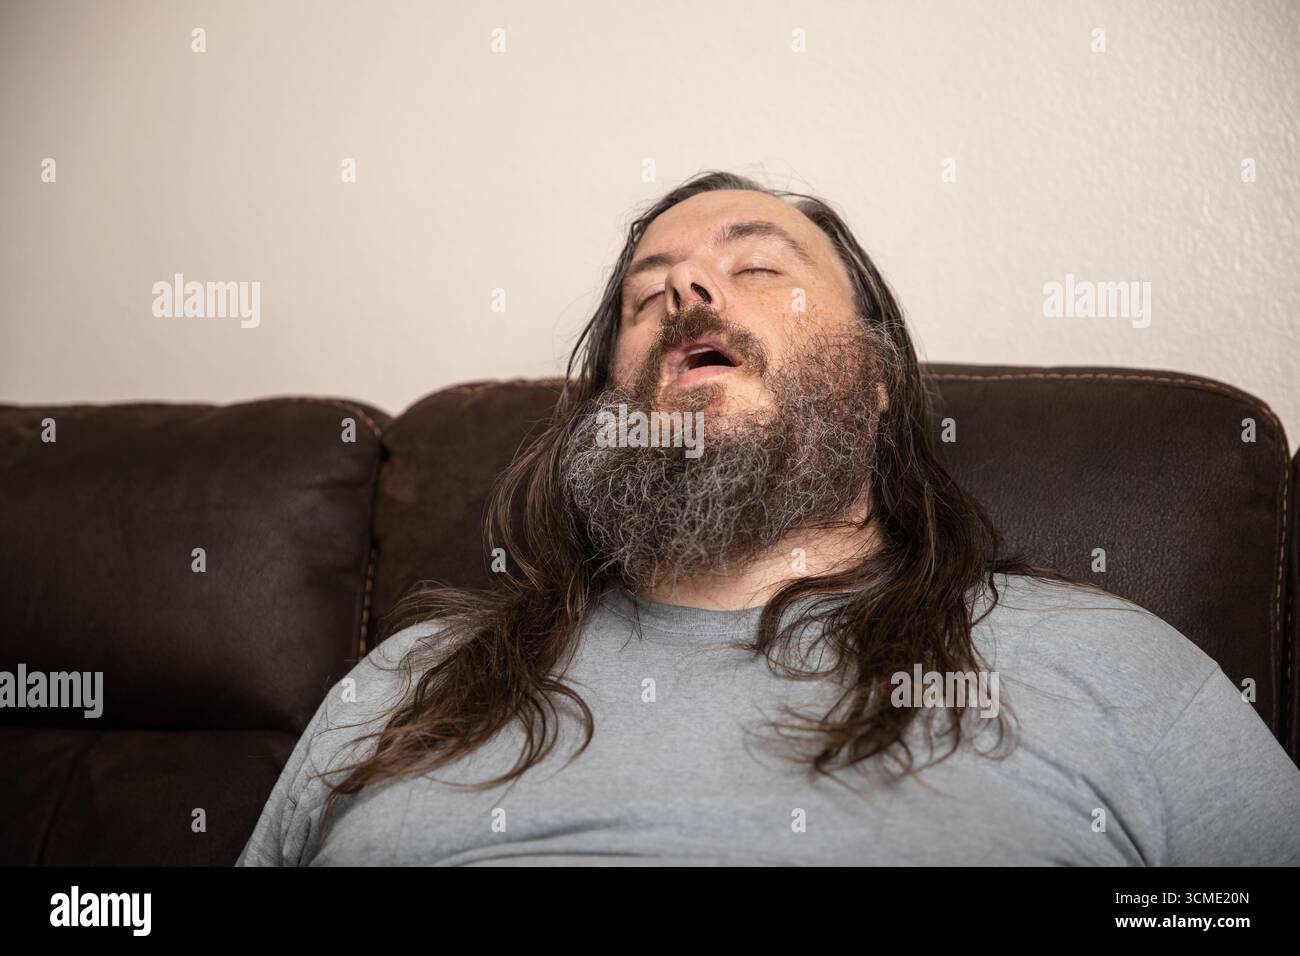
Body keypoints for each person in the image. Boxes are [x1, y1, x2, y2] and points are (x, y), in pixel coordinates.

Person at [236, 171, 1300, 866]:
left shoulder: (1111, 665)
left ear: (877, 380)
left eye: (755, 267)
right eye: (648, 292)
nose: (686, 286)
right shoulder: (411, 678)